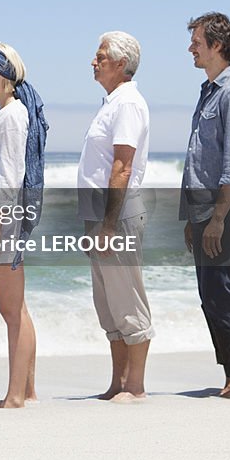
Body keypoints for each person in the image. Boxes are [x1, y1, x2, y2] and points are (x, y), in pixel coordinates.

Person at [181, 12, 230, 399]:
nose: (191, 48)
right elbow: (202, 158)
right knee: (209, 295)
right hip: (206, 210)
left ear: (216, 45)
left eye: (196, 41)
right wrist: (193, 218)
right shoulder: (209, 90)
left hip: (226, 211)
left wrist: (216, 219)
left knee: (219, 294)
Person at [0, 42, 48, 409]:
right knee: (16, 308)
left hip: (3, 223)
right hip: (0, 222)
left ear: (3, 74)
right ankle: (26, 390)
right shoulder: (5, 114)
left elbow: (11, 175)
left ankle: (15, 396)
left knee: (12, 310)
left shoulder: (13, 115)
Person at [77, 32, 154, 402]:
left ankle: (135, 386)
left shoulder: (128, 104)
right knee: (107, 304)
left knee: (127, 300)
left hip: (117, 215)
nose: (94, 61)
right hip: (100, 214)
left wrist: (108, 225)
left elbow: (122, 167)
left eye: (100, 55)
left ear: (120, 64)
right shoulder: (110, 103)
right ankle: (118, 382)